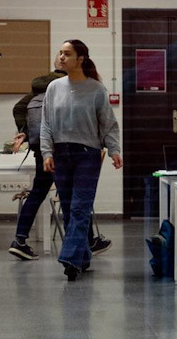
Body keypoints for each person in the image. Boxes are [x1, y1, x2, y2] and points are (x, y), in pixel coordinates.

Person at [8, 61, 110, 260]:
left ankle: (19, 240)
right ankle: (87, 242)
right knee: (78, 195)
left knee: (38, 193)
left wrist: (25, 131)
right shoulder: (65, 88)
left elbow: (18, 108)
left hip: (40, 148)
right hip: (64, 149)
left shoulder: (37, 91)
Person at [40, 40, 123, 280]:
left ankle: (70, 259)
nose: (62, 57)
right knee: (69, 208)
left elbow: (108, 124)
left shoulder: (96, 89)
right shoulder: (53, 87)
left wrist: (115, 150)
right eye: (61, 53)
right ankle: (83, 256)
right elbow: (46, 124)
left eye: (67, 54)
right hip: (61, 154)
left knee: (80, 207)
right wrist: (47, 153)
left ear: (80, 59)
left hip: (88, 155)